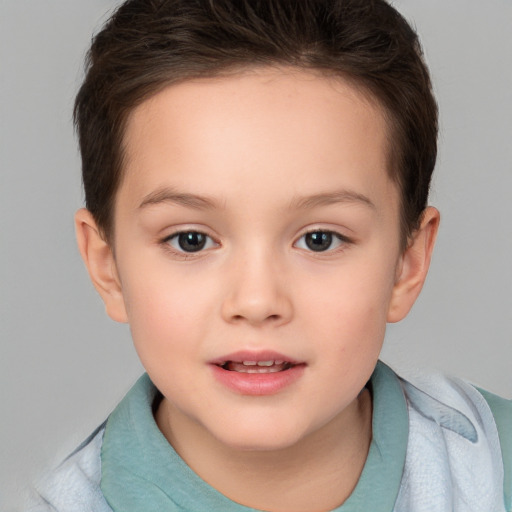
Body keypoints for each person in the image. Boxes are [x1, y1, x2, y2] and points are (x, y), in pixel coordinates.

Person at [26, 0, 511, 511]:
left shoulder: (492, 469)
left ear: (407, 263)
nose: (257, 301)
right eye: (190, 239)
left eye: (319, 239)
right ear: (108, 267)